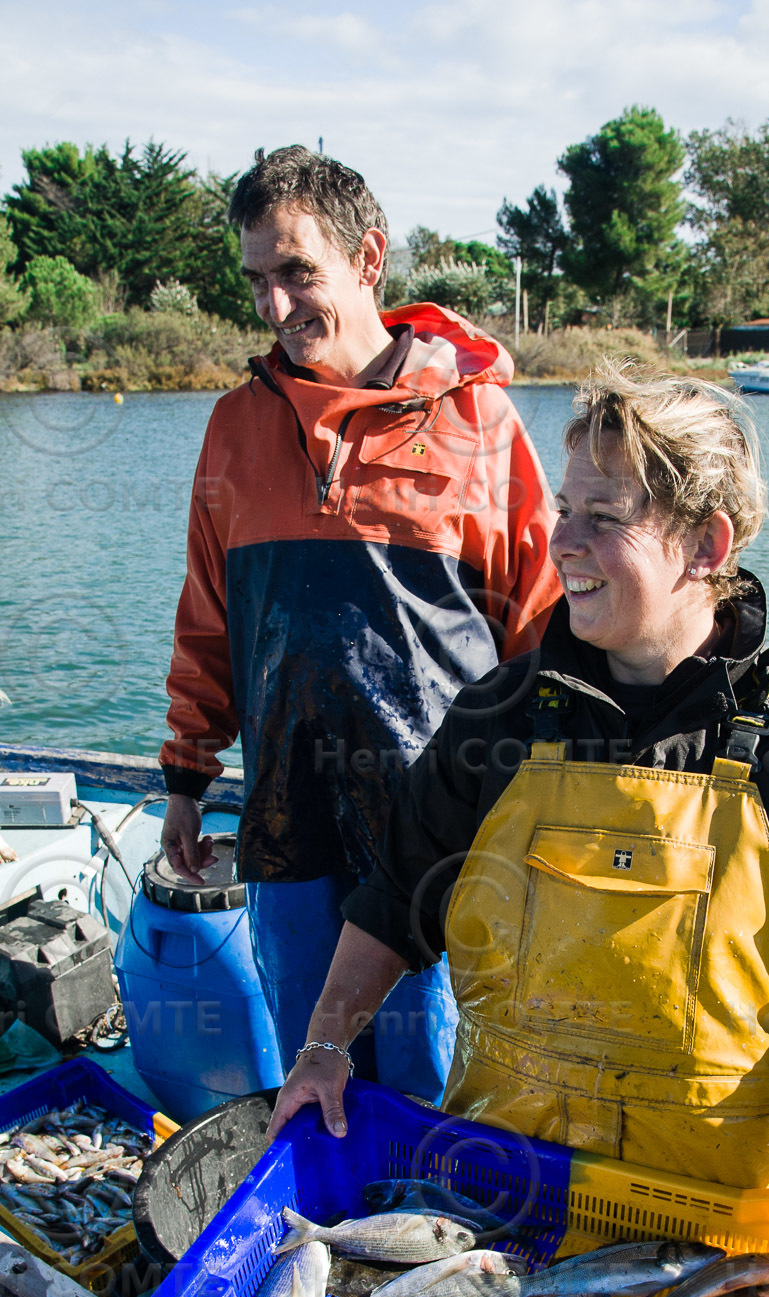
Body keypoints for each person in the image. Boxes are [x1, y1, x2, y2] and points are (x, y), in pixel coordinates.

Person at [266, 365, 769, 1297]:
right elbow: (391, 899)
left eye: (604, 516)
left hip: (720, 1249)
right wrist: (325, 1046)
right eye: (564, 509)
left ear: (705, 543)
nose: (564, 542)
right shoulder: (498, 719)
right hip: (495, 1214)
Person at [158, 146, 559, 1102]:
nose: (274, 306)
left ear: (368, 258)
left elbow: (543, 624)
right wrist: (185, 775)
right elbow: (207, 620)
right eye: (256, 279)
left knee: (436, 1072)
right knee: (312, 1060)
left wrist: (558, 799)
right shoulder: (233, 427)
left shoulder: (483, 422)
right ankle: (329, 1232)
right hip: (288, 815)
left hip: (441, 823)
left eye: (297, 271)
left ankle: (438, 1234)